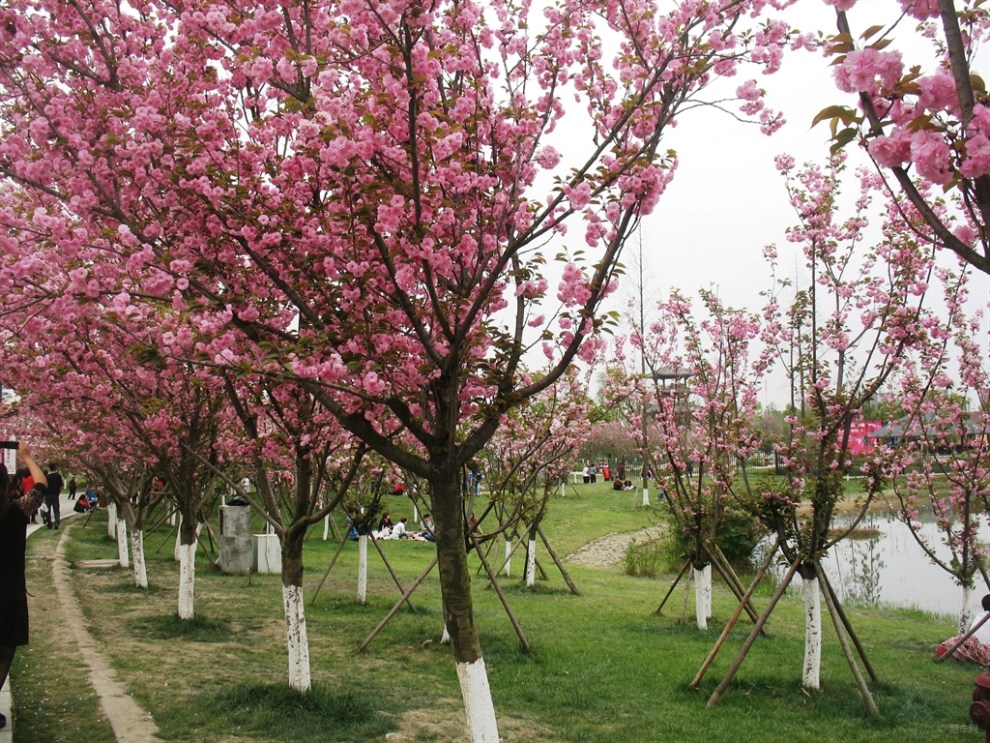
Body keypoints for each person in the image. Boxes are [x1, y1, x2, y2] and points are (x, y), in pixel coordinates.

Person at [0, 442, 47, 730]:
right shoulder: (17, 512)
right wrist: (27, 458)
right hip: (9, 594)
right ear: (6, 485)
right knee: (4, 651)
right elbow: (40, 485)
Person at [44, 461, 63, 530]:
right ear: (55, 468)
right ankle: (56, 523)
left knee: (47, 510)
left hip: (48, 495)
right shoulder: (58, 476)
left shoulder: (46, 477)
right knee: (56, 510)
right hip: (55, 495)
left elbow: (44, 486)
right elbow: (61, 486)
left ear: (49, 468)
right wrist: (58, 492)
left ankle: (49, 524)